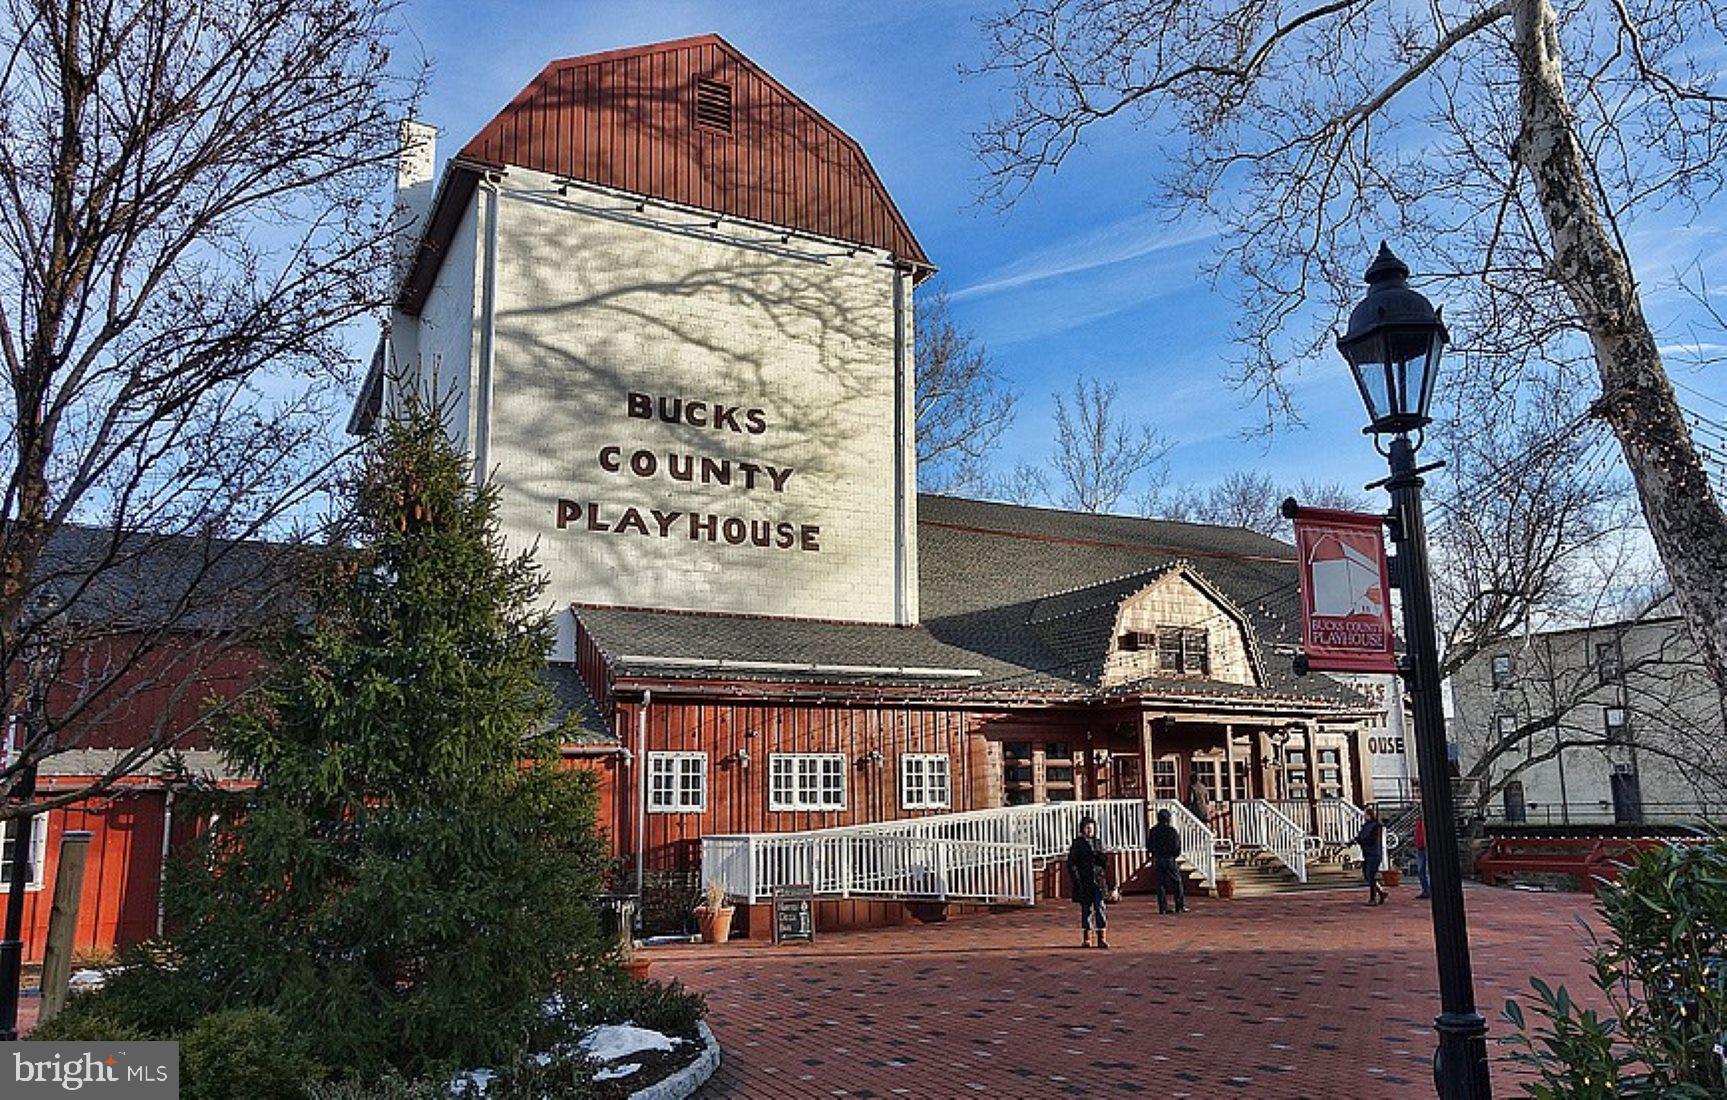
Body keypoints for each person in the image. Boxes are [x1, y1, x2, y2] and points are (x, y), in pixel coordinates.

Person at [1067, 816, 1110, 947]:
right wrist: (1076, 878)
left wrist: (1101, 857)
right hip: (1084, 880)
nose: (1090, 830)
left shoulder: (1098, 842)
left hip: (1098, 880)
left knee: (1100, 907)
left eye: (1092, 827)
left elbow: (1105, 863)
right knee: (1086, 909)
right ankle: (1087, 937)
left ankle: (1102, 937)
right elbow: (1072, 863)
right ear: (1082, 829)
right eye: (1087, 828)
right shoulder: (1078, 844)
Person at [1148, 808, 1187, 914]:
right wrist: (1174, 854)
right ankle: (1179, 906)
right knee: (1177, 882)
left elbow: (1149, 846)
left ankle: (1162, 908)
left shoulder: (1153, 831)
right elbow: (1177, 846)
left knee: (1161, 884)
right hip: (1169, 859)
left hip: (1158, 859)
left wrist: (1154, 853)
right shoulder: (1171, 831)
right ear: (1168, 819)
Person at [1356, 807, 1388, 906]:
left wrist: (1362, 841)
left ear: (1369, 815)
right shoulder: (1365, 826)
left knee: (1371, 875)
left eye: (1365, 814)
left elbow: (1373, 840)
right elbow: (1360, 836)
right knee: (1367, 875)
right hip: (1367, 853)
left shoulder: (1376, 826)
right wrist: (1355, 840)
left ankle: (1373, 898)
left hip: (1374, 854)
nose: (1364, 816)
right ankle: (1381, 892)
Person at [1413, 814, 1431, 898]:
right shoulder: (1419, 821)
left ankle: (1429, 890)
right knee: (1421, 870)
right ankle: (1426, 890)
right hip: (1420, 846)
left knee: (1426, 870)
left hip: (1424, 846)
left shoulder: (1423, 821)